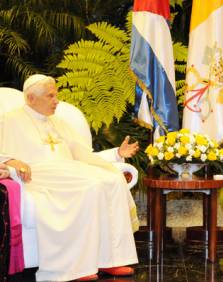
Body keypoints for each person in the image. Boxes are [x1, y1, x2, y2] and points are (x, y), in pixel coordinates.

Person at [0, 74, 140, 281]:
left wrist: (116, 154)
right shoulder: (9, 120)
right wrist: (12, 161)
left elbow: (82, 153)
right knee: (90, 186)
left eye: (55, 95)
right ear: (31, 98)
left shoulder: (59, 122)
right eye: (50, 96)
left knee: (113, 180)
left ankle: (111, 259)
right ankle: (74, 267)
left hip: (69, 171)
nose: (56, 101)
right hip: (39, 174)